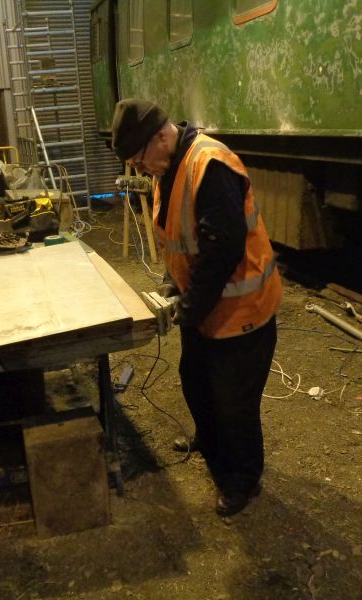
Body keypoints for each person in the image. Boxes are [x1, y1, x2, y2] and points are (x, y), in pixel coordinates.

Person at [110, 98, 283, 517]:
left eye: (138, 159)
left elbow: (222, 252)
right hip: (208, 308)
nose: (139, 168)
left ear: (159, 138)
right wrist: (174, 288)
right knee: (195, 380)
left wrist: (188, 307)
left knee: (234, 403)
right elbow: (179, 241)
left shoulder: (210, 166)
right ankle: (210, 440)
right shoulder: (168, 168)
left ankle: (242, 480)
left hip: (241, 312)